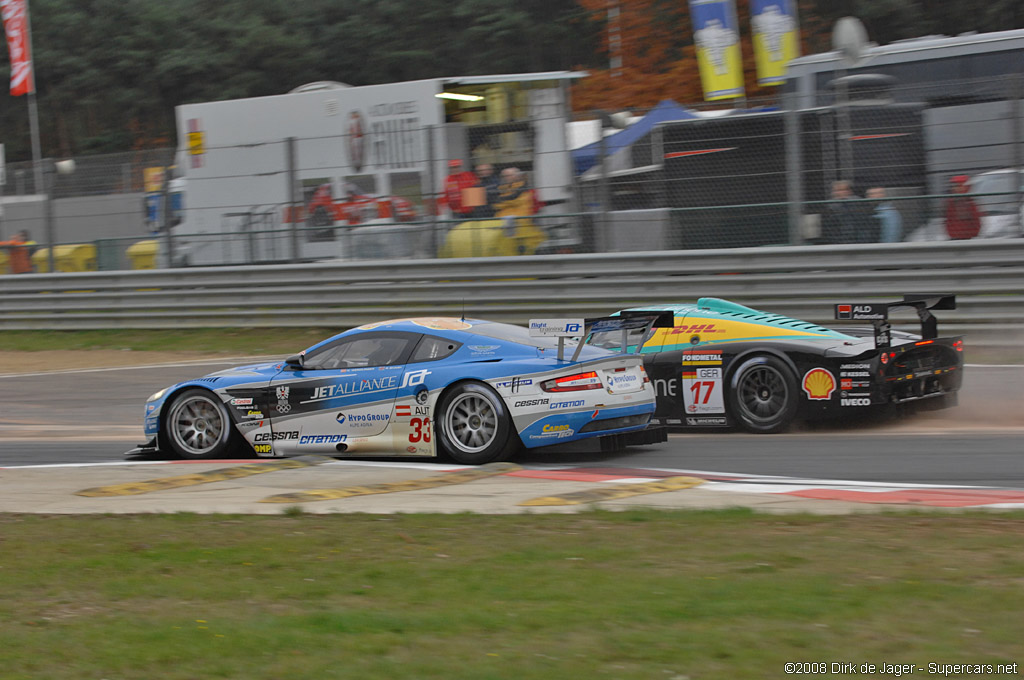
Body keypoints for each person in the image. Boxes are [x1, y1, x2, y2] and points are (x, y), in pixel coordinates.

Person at [944, 174, 982, 240]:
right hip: (956, 236)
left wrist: (973, 233)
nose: (955, 188)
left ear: (965, 187)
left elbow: (976, 219)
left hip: (967, 236)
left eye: (958, 186)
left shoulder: (969, 202)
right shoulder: (951, 202)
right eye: (954, 186)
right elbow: (948, 219)